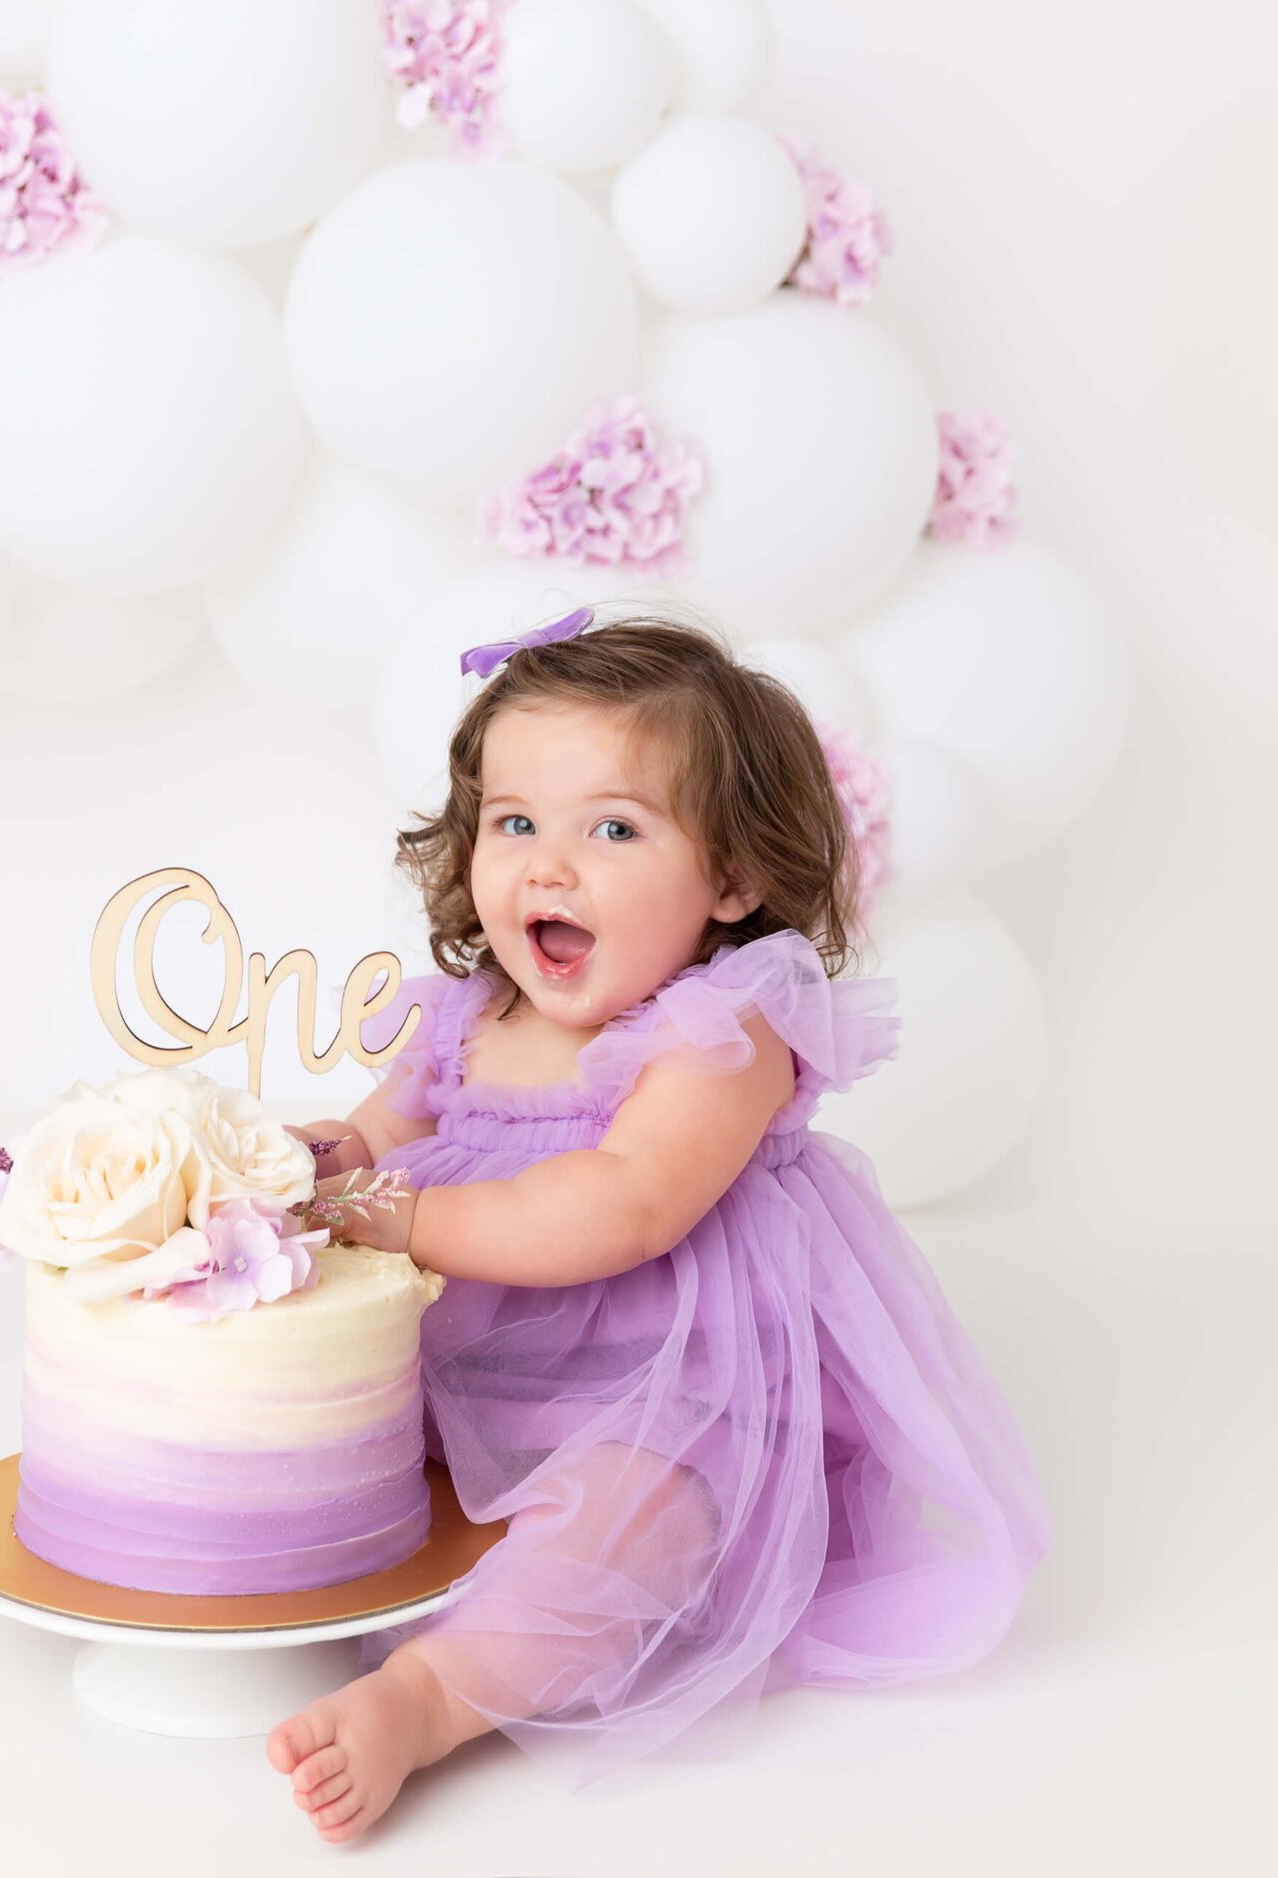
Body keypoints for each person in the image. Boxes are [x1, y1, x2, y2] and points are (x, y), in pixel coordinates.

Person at [266, 603, 1052, 1843]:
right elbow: (368, 1144)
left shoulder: (719, 1032)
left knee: (636, 1518)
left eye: (613, 829)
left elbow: (621, 1209)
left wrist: (392, 1211)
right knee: (294, 1408)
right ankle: (198, 1557)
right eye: (514, 823)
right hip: (468, 1370)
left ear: (730, 877)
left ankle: (425, 1701)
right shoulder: (461, 1018)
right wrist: (317, 1163)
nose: (547, 866)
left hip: (675, 1396)